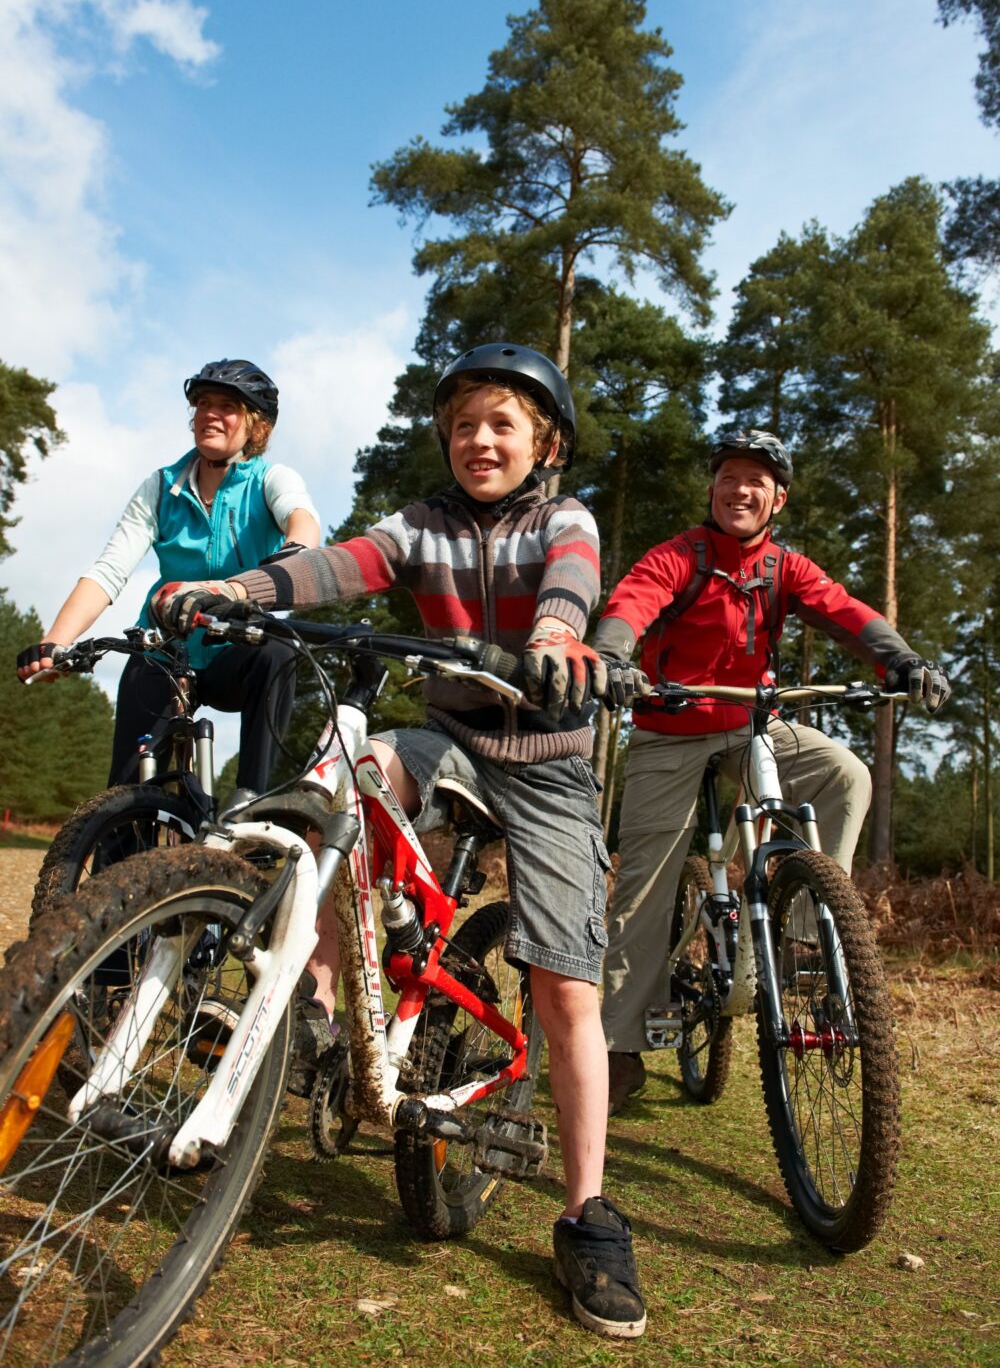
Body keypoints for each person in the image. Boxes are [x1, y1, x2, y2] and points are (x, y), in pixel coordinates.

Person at [152, 343, 647, 1340]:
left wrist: (556, 641)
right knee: (344, 777)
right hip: (449, 733)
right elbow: (338, 565)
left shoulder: (565, 518)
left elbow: (571, 582)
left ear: (543, 443)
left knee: (566, 985)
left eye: (502, 423)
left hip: (546, 755)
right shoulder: (420, 525)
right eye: (465, 424)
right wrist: (240, 593)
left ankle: (588, 1211)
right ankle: (325, 1019)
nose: (479, 440)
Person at [593, 428, 951, 1115]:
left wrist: (901, 660)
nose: (741, 489)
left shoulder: (785, 568)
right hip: (670, 731)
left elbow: (846, 613)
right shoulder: (681, 557)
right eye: (729, 476)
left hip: (754, 723)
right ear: (713, 488)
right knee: (644, 888)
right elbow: (630, 604)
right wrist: (612, 656)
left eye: (757, 481)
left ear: (777, 499)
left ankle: (806, 944)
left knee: (844, 773)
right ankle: (617, 1044)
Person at [16, 359, 321, 797]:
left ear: (256, 426)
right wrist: (55, 644)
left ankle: (252, 805)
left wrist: (296, 550)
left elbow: (302, 523)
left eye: (227, 406)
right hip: (165, 647)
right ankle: (116, 847)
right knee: (122, 795)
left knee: (278, 650)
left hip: (238, 647)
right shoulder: (161, 486)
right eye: (202, 403)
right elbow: (109, 569)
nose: (210, 414)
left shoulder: (272, 479)